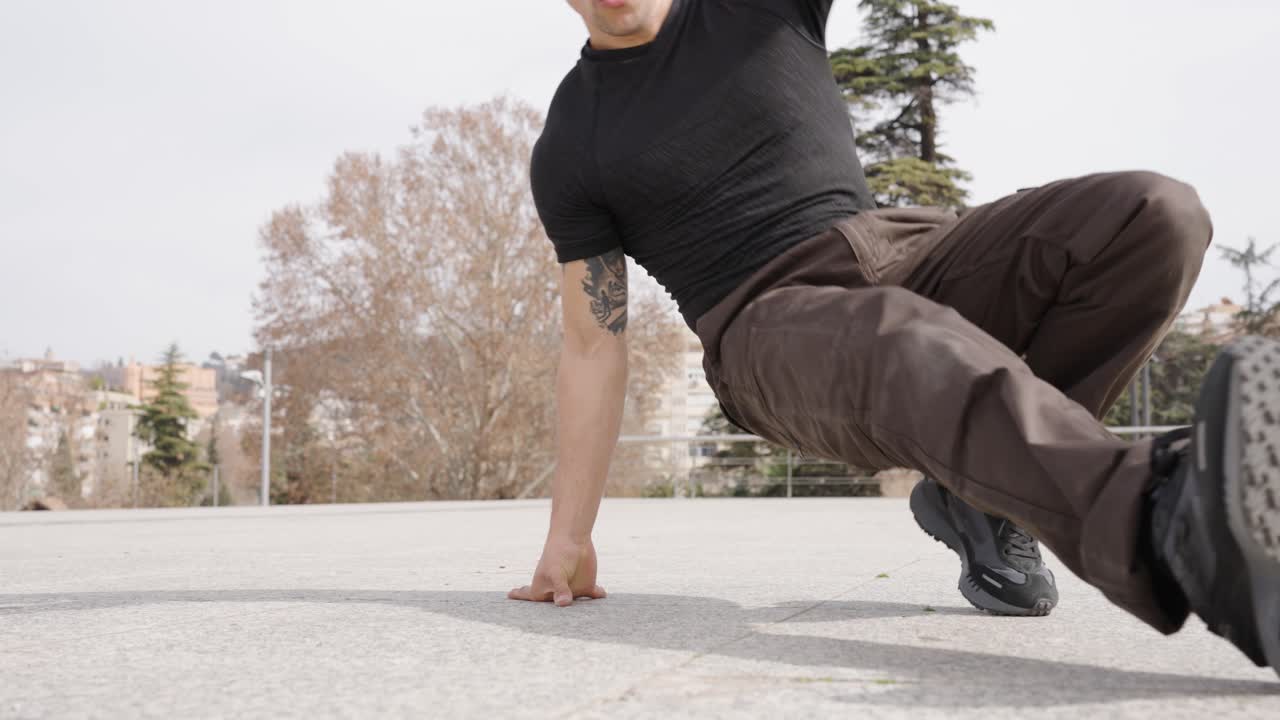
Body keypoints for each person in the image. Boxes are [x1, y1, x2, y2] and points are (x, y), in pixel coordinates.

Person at [508, 0, 1280, 674]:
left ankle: (991, 498)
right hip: (759, 327)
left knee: (1154, 216)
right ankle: (1174, 531)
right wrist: (568, 537)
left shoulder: (754, 10)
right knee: (900, 337)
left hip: (902, 248)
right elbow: (592, 345)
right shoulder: (576, 140)